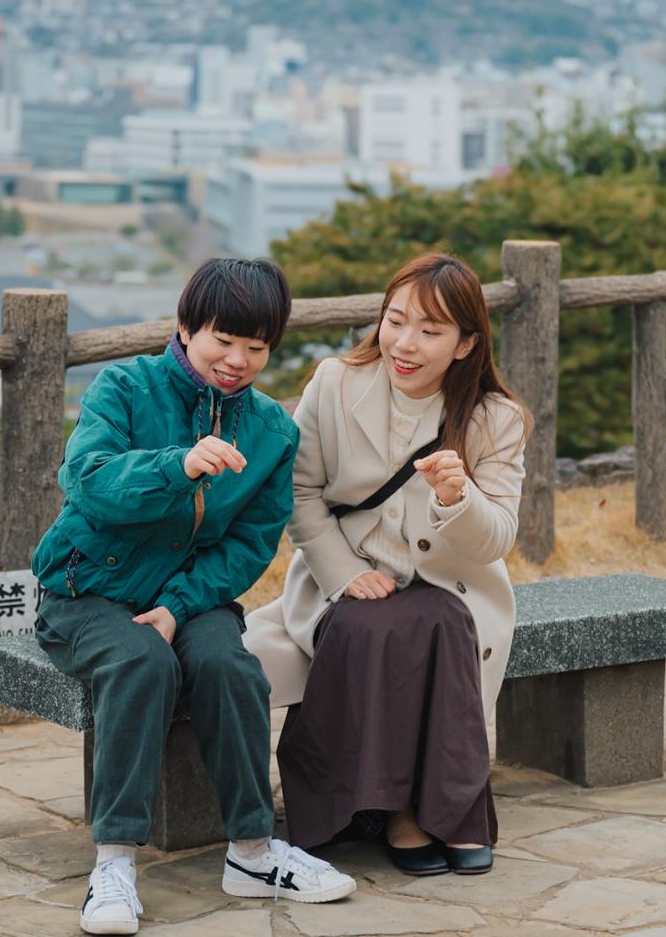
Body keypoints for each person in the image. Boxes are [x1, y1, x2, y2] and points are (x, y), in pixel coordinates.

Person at [31, 257, 356, 936]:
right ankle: (114, 860)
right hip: (85, 589)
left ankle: (251, 850)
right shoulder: (124, 385)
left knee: (231, 665)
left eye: (256, 347)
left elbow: (247, 545)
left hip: (190, 595)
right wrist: (175, 465)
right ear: (185, 325)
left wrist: (180, 604)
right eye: (222, 340)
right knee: (143, 660)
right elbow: (85, 480)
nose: (236, 360)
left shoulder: (271, 431)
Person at [244, 252, 531, 877]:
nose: (404, 343)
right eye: (394, 320)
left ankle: (441, 815)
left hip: (450, 583)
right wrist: (344, 573)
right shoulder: (334, 383)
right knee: (369, 625)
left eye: (430, 331)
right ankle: (383, 810)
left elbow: (496, 540)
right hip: (348, 573)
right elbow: (299, 493)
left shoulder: (495, 419)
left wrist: (460, 498)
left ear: (464, 344)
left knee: (438, 623)